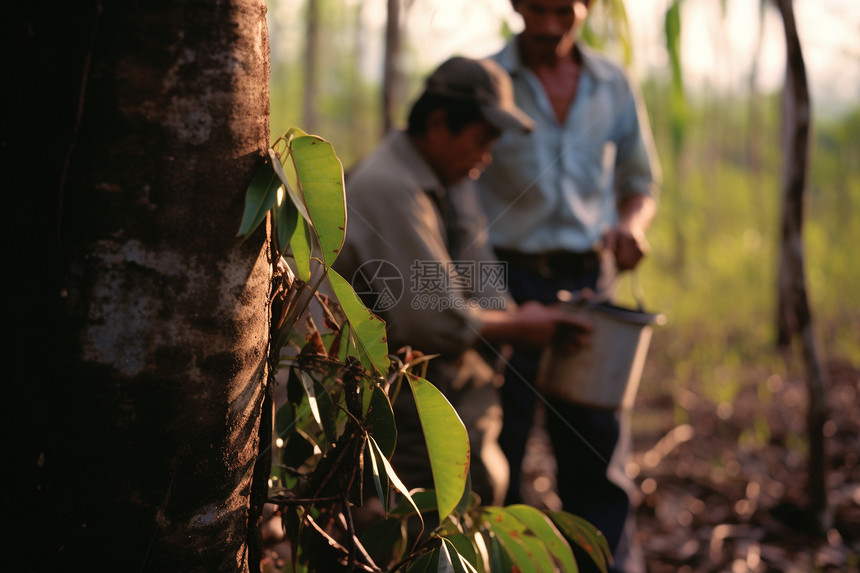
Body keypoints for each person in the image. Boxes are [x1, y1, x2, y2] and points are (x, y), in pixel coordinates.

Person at [333, 56, 590, 508]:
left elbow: (480, 275)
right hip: (402, 412)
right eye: (480, 140)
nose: (485, 158)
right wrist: (517, 327)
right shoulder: (390, 187)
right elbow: (435, 322)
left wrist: (536, 317)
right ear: (437, 124)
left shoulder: (453, 180)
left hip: (459, 403)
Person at [475, 1, 660, 571]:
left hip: (587, 283)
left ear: (586, 8)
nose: (551, 25)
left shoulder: (613, 84)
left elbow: (639, 180)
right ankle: (486, 559)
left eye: (565, 10)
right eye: (538, 8)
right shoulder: (486, 81)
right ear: (516, 5)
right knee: (492, 440)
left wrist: (631, 223)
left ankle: (605, 564)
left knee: (596, 447)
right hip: (504, 278)